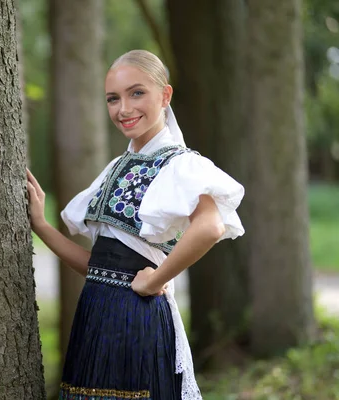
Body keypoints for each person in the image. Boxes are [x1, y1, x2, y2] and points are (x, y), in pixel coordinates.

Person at [26, 49, 245, 400]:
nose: (124, 109)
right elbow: (98, 268)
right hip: (94, 316)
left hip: (137, 321)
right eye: (113, 98)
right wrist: (41, 226)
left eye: (137, 93)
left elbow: (210, 227)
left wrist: (154, 280)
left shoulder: (181, 165)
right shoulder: (116, 167)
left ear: (165, 95)